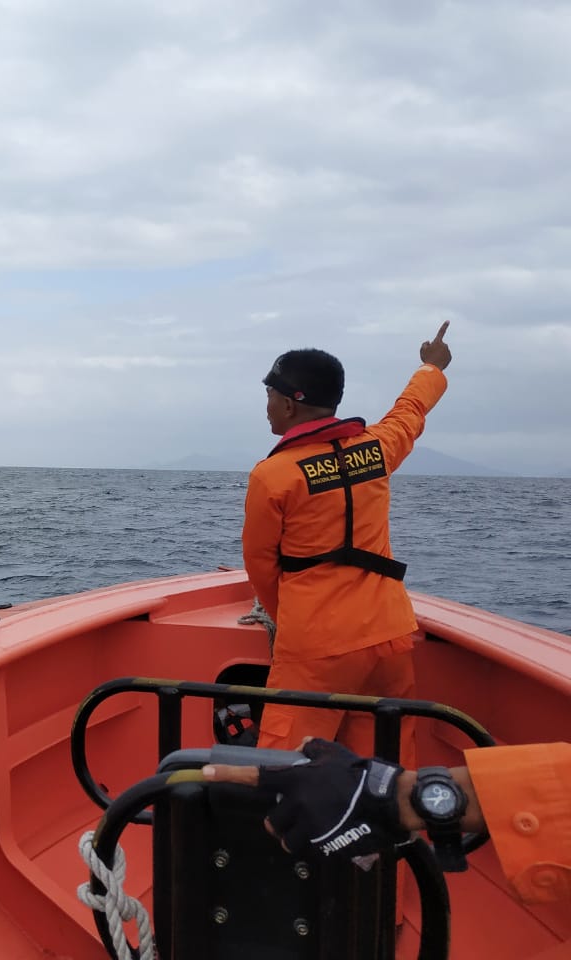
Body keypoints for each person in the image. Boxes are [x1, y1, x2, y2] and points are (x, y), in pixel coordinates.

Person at [242, 322, 453, 762]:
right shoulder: (375, 449)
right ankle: (392, 831)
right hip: (389, 635)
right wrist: (430, 367)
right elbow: (409, 411)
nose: (266, 408)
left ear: (290, 403)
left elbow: (261, 566)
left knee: (291, 765)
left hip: (316, 647)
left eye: (269, 397)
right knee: (385, 762)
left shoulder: (273, 475)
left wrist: (290, 622)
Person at [203, 739, 571, 903]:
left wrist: (388, 795)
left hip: (312, 634)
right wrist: (396, 796)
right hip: (387, 637)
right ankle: (383, 901)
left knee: (283, 774)